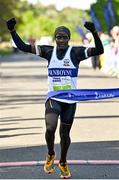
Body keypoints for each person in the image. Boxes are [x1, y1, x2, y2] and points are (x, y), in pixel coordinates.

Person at [6, 18, 104, 179]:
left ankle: (63, 162)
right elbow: (23, 46)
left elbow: (99, 50)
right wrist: (12, 31)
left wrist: (94, 32)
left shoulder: (76, 52)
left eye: (64, 37)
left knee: (65, 135)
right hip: (54, 98)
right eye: (58, 37)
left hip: (70, 100)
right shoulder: (48, 51)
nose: (61, 40)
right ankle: (51, 153)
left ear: (68, 38)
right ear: (55, 39)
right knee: (50, 128)